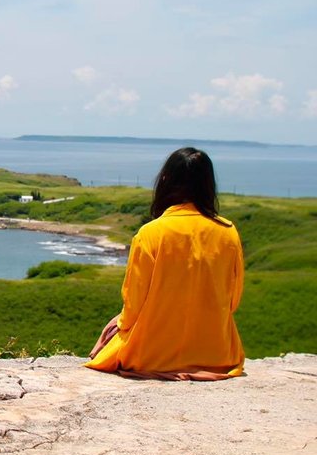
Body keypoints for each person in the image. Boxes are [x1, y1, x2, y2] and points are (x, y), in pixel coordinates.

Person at [86, 147, 245, 381]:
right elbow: (232, 300)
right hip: (217, 355)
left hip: (150, 355)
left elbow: (133, 306)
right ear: (208, 184)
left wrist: (117, 327)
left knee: (113, 331)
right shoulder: (228, 232)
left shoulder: (150, 233)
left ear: (165, 180)